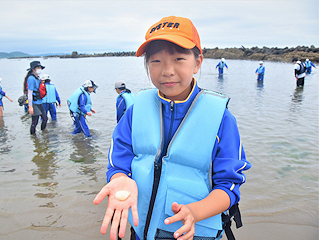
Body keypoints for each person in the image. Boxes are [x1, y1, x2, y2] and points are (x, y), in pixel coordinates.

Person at [93, 16, 251, 240]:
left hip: (191, 233)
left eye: (178, 58)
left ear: (197, 62)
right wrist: (120, 178)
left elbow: (230, 186)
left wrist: (195, 212)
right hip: (141, 231)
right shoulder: (135, 112)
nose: (167, 70)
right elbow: (118, 162)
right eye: (155, 61)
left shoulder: (222, 120)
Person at [25, 60, 48, 135]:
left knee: (45, 118)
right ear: (33, 69)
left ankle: (43, 133)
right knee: (35, 121)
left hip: (39, 102)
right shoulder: (31, 78)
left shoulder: (37, 77)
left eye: (40, 67)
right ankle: (33, 135)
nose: (39, 69)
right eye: (37, 67)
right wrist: (30, 106)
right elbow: (30, 93)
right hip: (34, 103)